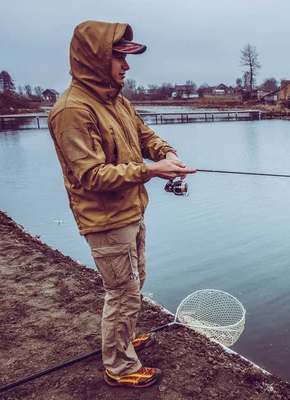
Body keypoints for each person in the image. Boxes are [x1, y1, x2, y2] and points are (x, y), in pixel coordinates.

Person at [47, 20, 195, 388]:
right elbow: (92, 176)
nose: (126, 67)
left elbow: (144, 135)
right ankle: (119, 366)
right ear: (95, 60)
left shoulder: (116, 100)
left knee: (135, 280)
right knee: (122, 292)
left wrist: (167, 154)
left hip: (130, 211)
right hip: (105, 220)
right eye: (118, 59)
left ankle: (122, 339)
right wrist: (150, 170)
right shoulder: (72, 111)